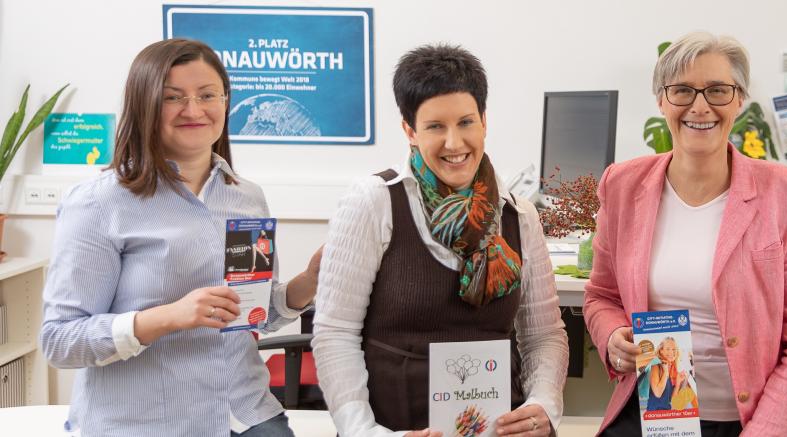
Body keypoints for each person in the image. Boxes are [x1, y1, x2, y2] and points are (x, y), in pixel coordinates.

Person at [38, 39, 322, 436]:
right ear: (145, 105)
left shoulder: (246, 196)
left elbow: (251, 313)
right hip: (148, 424)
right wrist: (169, 317)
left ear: (225, 101)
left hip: (248, 416)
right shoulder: (99, 202)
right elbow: (60, 341)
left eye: (207, 95)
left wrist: (307, 283)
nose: (193, 109)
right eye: (174, 98)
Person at [583, 31, 787, 437]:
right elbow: (602, 296)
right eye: (682, 91)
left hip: (760, 422)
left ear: (739, 99)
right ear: (661, 100)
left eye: (718, 90)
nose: (700, 106)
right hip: (658, 415)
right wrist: (613, 335)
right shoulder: (622, 184)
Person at [311, 43, 568, 437]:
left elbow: (543, 334)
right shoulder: (374, 202)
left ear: (484, 120)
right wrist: (364, 432)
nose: (454, 143)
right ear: (409, 131)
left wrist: (543, 405)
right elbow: (335, 333)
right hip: (394, 427)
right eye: (435, 127)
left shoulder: (518, 214)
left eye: (466, 122)